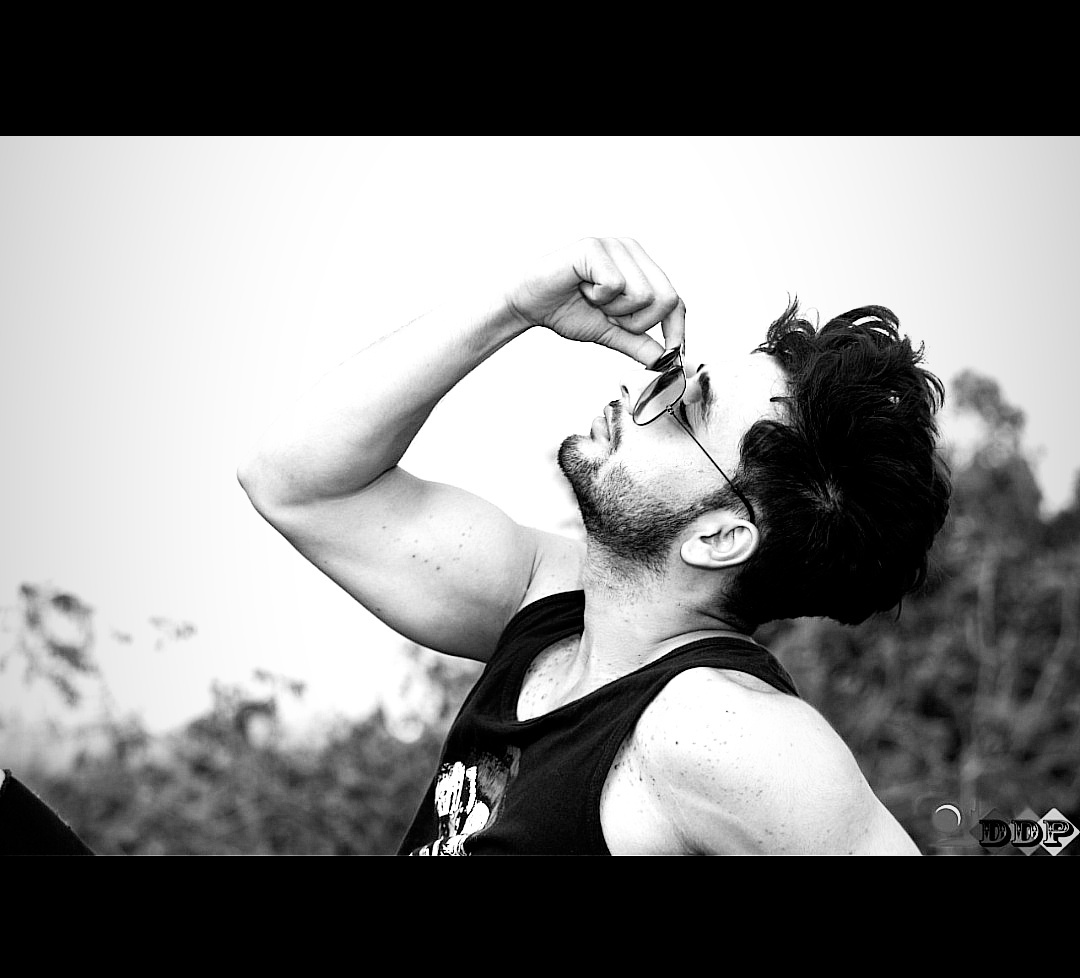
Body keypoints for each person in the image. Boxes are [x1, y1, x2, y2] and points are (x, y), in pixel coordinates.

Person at [238, 237, 951, 855]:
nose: (638, 393)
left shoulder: (723, 732)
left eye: (684, 406)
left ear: (719, 536)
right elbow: (294, 484)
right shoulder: (548, 606)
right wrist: (515, 304)